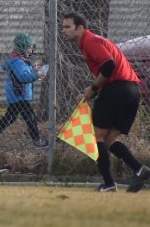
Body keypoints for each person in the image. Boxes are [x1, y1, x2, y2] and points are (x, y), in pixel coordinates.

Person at [61, 13, 150, 193]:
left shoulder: (89, 41)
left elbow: (108, 66)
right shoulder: (92, 41)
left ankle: (109, 184)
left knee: (96, 136)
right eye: (62, 27)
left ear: (80, 28)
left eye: (67, 27)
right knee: (108, 139)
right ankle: (139, 169)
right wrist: (91, 92)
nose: (63, 31)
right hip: (132, 91)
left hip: (118, 89)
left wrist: (92, 89)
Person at [0, 33, 48, 149]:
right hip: (19, 95)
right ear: (22, 48)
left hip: (18, 96)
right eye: (29, 48)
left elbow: (25, 73)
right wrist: (37, 74)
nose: (31, 50)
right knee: (30, 118)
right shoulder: (17, 62)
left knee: (10, 117)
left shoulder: (20, 61)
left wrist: (34, 70)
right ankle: (37, 140)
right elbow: (23, 77)